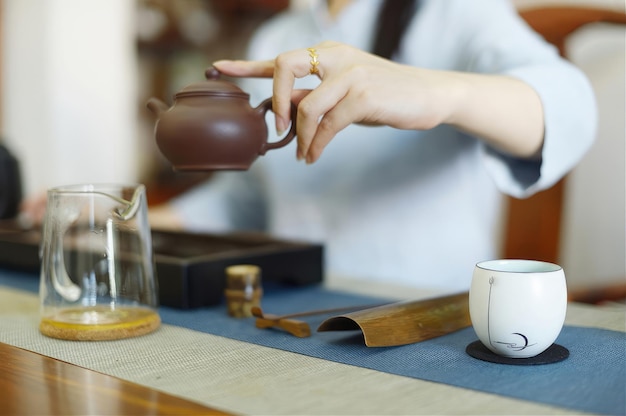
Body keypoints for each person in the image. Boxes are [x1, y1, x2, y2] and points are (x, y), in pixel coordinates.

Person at [115, 0, 598, 291]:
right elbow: (251, 198)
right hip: (291, 319)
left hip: (428, 322)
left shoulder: (454, 11)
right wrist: (124, 224)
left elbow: (570, 107)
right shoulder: (279, 35)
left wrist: (439, 92)